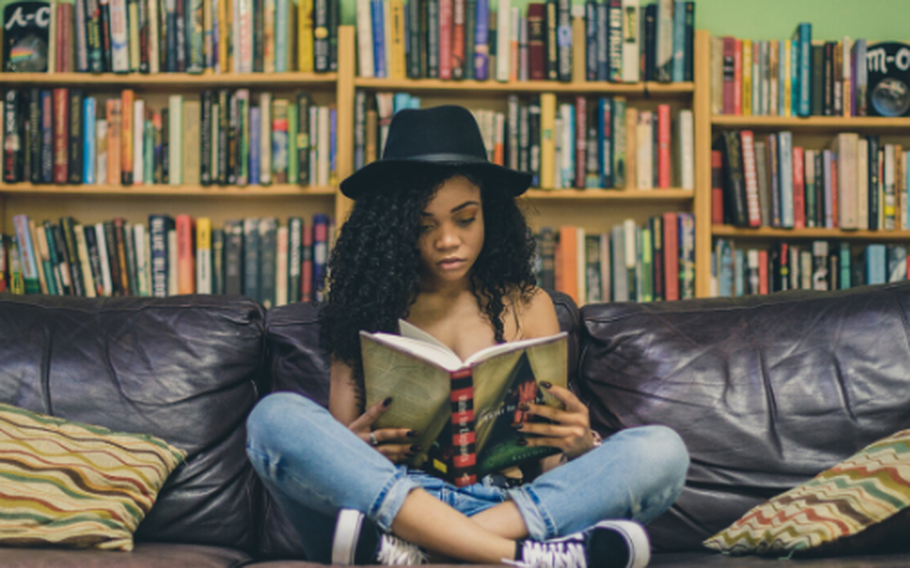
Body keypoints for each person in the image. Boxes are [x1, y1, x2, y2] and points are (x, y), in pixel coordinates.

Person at [246, 105, 689, 568]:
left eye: (464, 218)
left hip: (501, 509)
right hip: (390, 507)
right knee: (273, 419)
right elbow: (339, 464)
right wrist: (355, 448)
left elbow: (550, 466)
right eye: (423, 224)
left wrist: (580, 443)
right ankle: (522, 558)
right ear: (394, 229)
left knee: (662, 452)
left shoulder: (530, 305)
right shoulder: (362, 309)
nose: (447, 240)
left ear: (489, 216)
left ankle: (429, 552)